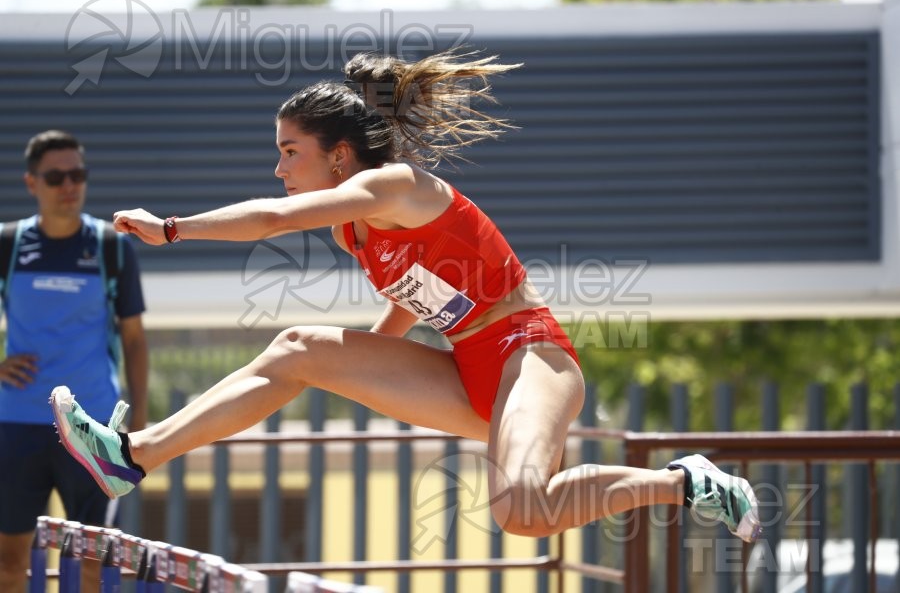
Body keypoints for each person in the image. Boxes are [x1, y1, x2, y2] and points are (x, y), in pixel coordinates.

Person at [51, 51, 760, 546]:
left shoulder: (393, 188)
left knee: (520, 510)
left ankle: (681, 482)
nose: (278, 166)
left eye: (289, 151)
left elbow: (269, 219)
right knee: (302, 348)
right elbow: (419, 303)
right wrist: (363, 361)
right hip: (465, 368)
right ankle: (132, 456)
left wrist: (170, 228)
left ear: (338, 156)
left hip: (528, 355)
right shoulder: (356, 230)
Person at [0, 130, 149, 593]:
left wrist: (139, 427)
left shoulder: (111, 245)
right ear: (32, 183)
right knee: (9, 562)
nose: (70, 185)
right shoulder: (7, 243)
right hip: (16, 423)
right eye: (56, 176)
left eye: (78, 174)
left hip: (93, 429)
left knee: (94, 561)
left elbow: (136, 341)